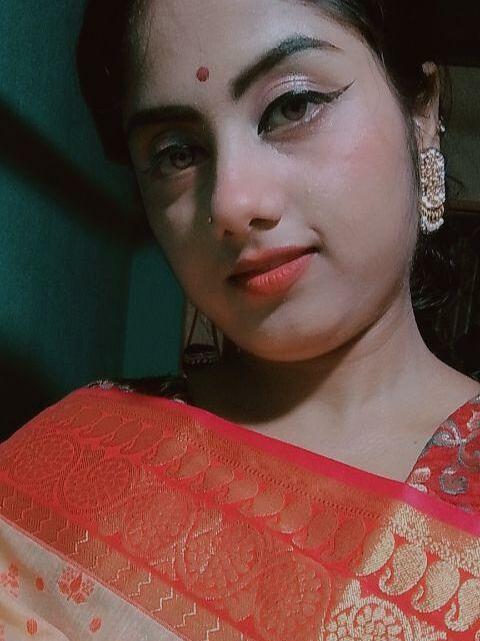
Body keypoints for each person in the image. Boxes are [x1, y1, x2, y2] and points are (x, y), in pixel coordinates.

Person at [1, 1, 479, 638]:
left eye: (293, 106)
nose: (231, 201)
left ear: (420, 113)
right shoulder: (70, 465)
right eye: (177, 152)